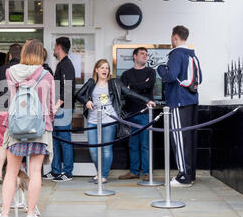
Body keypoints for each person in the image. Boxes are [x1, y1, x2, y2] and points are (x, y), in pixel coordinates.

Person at [0, 39, 56, 217]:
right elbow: (51, 107)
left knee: (11, 171)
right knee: (36, 171)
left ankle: (5, 214)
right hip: (39, 128)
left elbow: (13, 99)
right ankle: (30, 213)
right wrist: (47, 121)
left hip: (16, 128)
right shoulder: (46, 75)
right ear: (41, 54)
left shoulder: (11, 72)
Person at [75, 59, 156, 183]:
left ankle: (103, 176)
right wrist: (86, 101)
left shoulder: (114, 83)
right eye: (102, 67)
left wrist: (146, 100)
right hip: (93, 120)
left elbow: (129, 92)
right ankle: (99, 173)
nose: (104, 70)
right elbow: (78, 94)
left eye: (107, 68)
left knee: (106, 149)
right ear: (96, 70)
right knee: (93, 149)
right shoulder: (91, 83)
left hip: (109, 120)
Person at [157, 25, 201, 187]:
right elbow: (199, 77)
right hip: (192, 100)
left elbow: (170, 76)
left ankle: (183, 176)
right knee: (189, 139)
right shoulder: (192, 55)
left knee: (179, 138)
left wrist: (160, 68)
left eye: (171, 37)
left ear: (175, 37)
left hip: (178, 100)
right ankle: (191, 173)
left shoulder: (176, 54)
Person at [118, 47, 156, 181]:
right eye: (142, 54)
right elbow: (124, 91)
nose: (145, 56)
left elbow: (148, 85)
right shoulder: (126, 74)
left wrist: (132, 87)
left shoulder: (151, 72)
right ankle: (134, 171)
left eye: (146, 54)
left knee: (145, 144)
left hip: (146, 113)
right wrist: (140, 85)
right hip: (130, 113)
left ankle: (146, 172)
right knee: (133, 144)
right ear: (134, 56)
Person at [43, 37, 74, 182]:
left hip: (63, 109)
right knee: (55, 140)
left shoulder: (66, 65)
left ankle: (67, 172)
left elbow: (68, 89)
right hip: (59, 108)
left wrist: (56, 106)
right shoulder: (62, 64)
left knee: (64, 141)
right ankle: (55, 171)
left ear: (59, 47)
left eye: (55, 46)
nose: (54, 49)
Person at [0, 43, 22, 184]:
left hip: (3, 110)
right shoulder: (25, 71)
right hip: (21, 111)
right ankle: (17, 173)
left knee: (1, 143)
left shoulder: (0, 70)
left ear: (9, 56)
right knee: (20, 142)